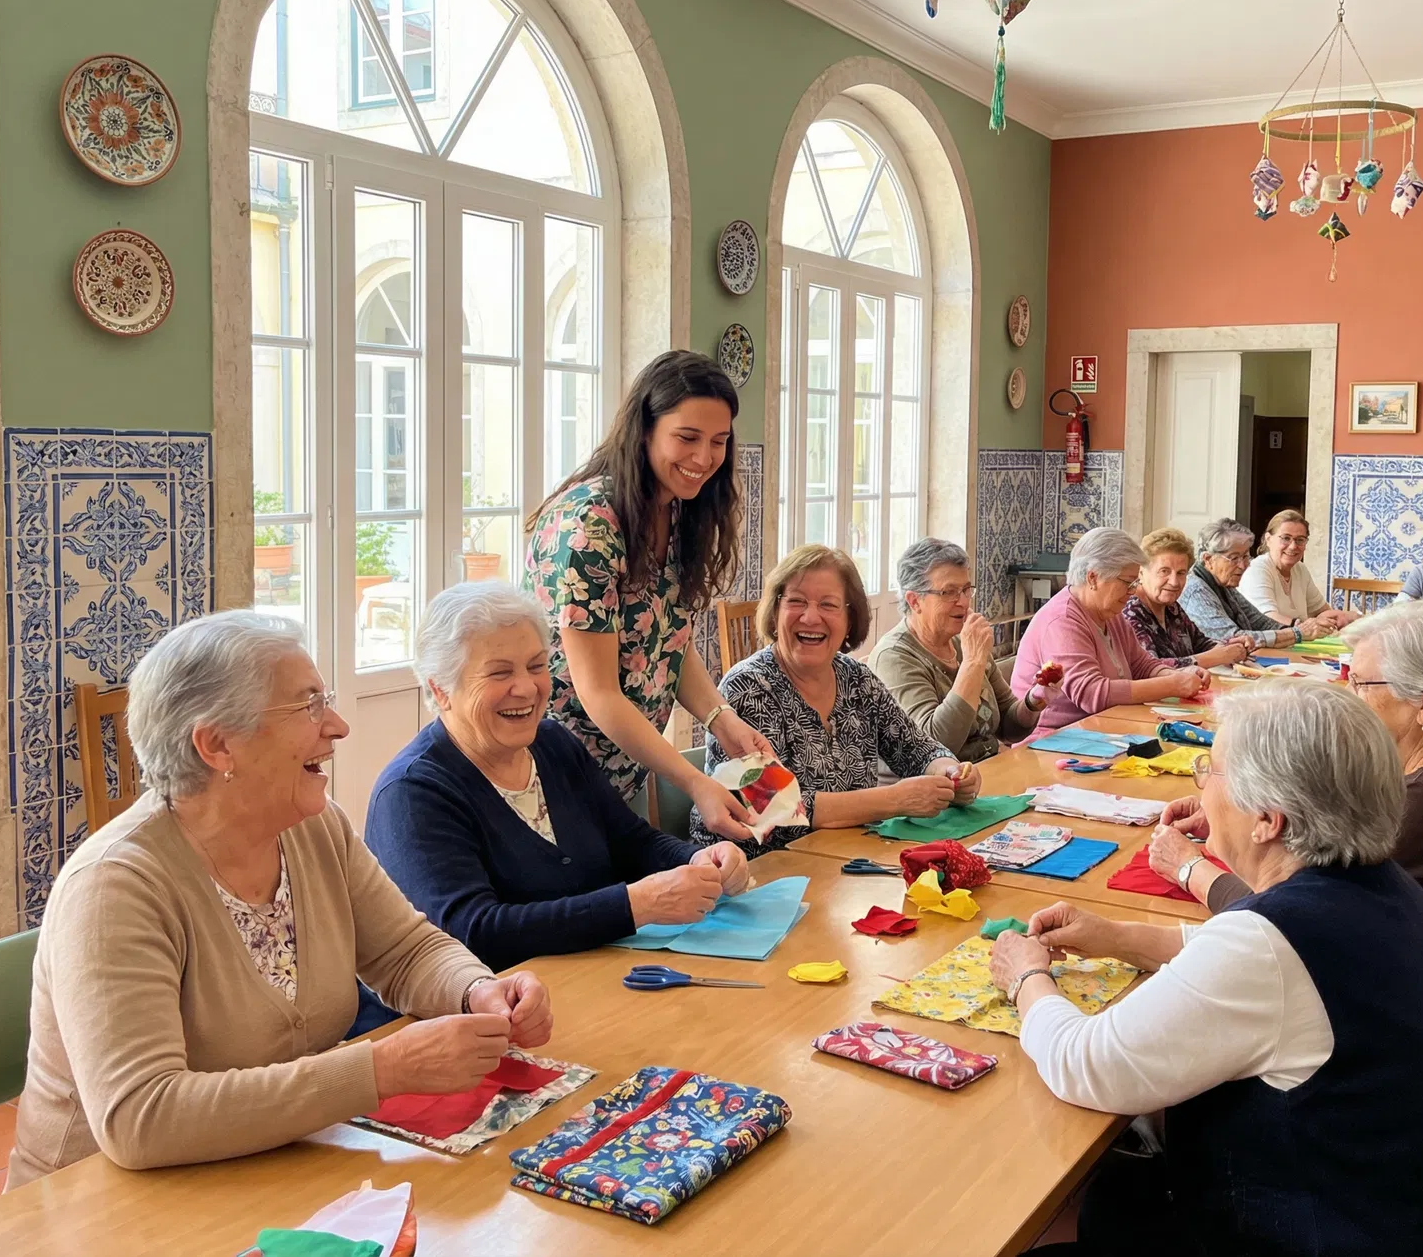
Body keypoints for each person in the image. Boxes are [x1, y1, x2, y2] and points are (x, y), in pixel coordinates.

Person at [8, 613, 551, 1186]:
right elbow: (142, 1117)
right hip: (97, 1209)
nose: (338, 726)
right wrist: (380, 1069)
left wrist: (477, 990)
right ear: (217, 744)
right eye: (309, 706)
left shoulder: (312, 828)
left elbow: (405, 950)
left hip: (264, 1172)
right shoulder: (114, 887)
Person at [991, 683, 1423, 1257]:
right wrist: (1116, 937)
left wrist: (1026, 977)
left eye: (1209, 770)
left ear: (1267, 819)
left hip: (1331, 1229)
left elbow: (1087, 1064)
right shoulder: (1381, 886)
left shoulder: (1270, 943)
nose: (1201, 786)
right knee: (1113, 1184)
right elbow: (1257, 960)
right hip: (1410, 1218)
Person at [1150, 604, 1423, 1177]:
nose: (1347, 698)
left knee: (1200, 1090)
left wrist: (1193, 870)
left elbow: (1294, 927)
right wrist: (1236, 812)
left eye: (1361, 684)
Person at [366, 584, 750, 970]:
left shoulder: (553, 742)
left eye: (536, 666)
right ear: (441, 689)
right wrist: (636, 905)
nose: (527, 688)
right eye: (500, 673)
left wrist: (698, 859)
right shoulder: (413, 793)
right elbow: (474, 934)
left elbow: (631, 842)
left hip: (593, 985)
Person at [523, 350, 774, 845]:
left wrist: (723, 720)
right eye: (687, 438)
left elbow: (669, 645)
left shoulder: (680, 512)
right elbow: (598, 693)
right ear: (644, 429)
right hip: (555, 777)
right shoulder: (589, 524)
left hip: (625, 769)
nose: (704, 459)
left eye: (718, 442)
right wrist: (692, 780)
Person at [699, 545, 976, 859]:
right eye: (797, 601)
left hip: (844, 864)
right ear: (775, 613)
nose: (811, 616)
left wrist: (952, 771)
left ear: (849, 619)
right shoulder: (747, 687)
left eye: (828, 605)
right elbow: (771, 807)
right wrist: (893, 800)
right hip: (753, 874)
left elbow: (916, 748)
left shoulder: (856, 677)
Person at [1012, 527, 1211, 733]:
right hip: (1052, 740)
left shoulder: (1110, 612)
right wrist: (1173, 685)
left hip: (1101, 728)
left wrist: (1176, 675)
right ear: (1093, 578)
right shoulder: (1062, 620)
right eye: (1127, 582)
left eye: (1135, 583)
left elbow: (1141, 665)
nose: (1133, 591)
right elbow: (1091, 694)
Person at [870, 538, 1043, 763]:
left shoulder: (964, 643)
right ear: (914, 601)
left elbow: (1009, 728)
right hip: (934, 789)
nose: (962, 601)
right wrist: (972, 664)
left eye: (965, 590)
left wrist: (1034, 701)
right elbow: (932, 746)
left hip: (989, 773)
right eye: (949, 592)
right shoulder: (894, 657)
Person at [1177, 518, 1325, 652]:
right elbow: (1233, 639)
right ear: (1208, 559)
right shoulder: (1196, 590)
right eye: (1234, 558)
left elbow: (1259, 622)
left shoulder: (1223, 585)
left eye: (1246, 556)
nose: (1243, 566)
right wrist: (1297, 633)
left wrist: (1299, 629)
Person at [1120, 527, 1253, 670]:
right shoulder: (1130, 612)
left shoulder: (1172, 607)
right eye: (1164, 571)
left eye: (1181, 573)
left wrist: (1230, 646)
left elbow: (1200, 643)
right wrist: (1219, 656)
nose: (1174, 582)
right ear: (1141, 571)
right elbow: (1151, 667)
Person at [1238, 509, 1357, 630]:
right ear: (1268, 539)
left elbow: (1321, 611)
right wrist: (1305, 627)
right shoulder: (1256, 569)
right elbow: (1267, 618)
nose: (1293, 546)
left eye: (1300, 540)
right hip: (1262, 645)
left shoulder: (1300, 569)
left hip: (1292, 643)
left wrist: (1346, 616)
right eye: (1286, 538)